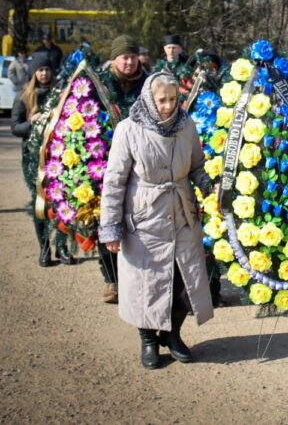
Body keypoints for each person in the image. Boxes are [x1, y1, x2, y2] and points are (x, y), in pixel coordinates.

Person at [99, 71, 214, 369]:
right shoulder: (129, 128)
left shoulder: (186, 126)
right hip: (143, 217)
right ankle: (148, 339)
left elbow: (196, 164)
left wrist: (206, 183)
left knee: (183, 281)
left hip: (181, 213)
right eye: (162, 100)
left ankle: (172, 333)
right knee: (146, 283)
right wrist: (111, 227)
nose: (167, 106)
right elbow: (114, 181)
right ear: (149, 98)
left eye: (173, 99)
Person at [96, 35, 149, 303]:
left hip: (142, 163)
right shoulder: (100, 85)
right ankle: (112, 280)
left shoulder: (147, 83)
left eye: (132, 56)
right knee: (107, 218)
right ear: (114, 59)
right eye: (123, 57)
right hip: (106, 160)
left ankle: (139, 277)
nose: (129, 61)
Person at [11, 53, 73, 266]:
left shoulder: (60, 94)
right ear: (34, 72)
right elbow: (15, 127)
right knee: (40, 203)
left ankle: (63, 248)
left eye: (47, 69)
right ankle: (45, 249)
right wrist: (32, 124)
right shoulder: (24, 97)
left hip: (59, 158)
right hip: (33, 159)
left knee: (62, 203)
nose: (44, 73)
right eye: (40, 70)